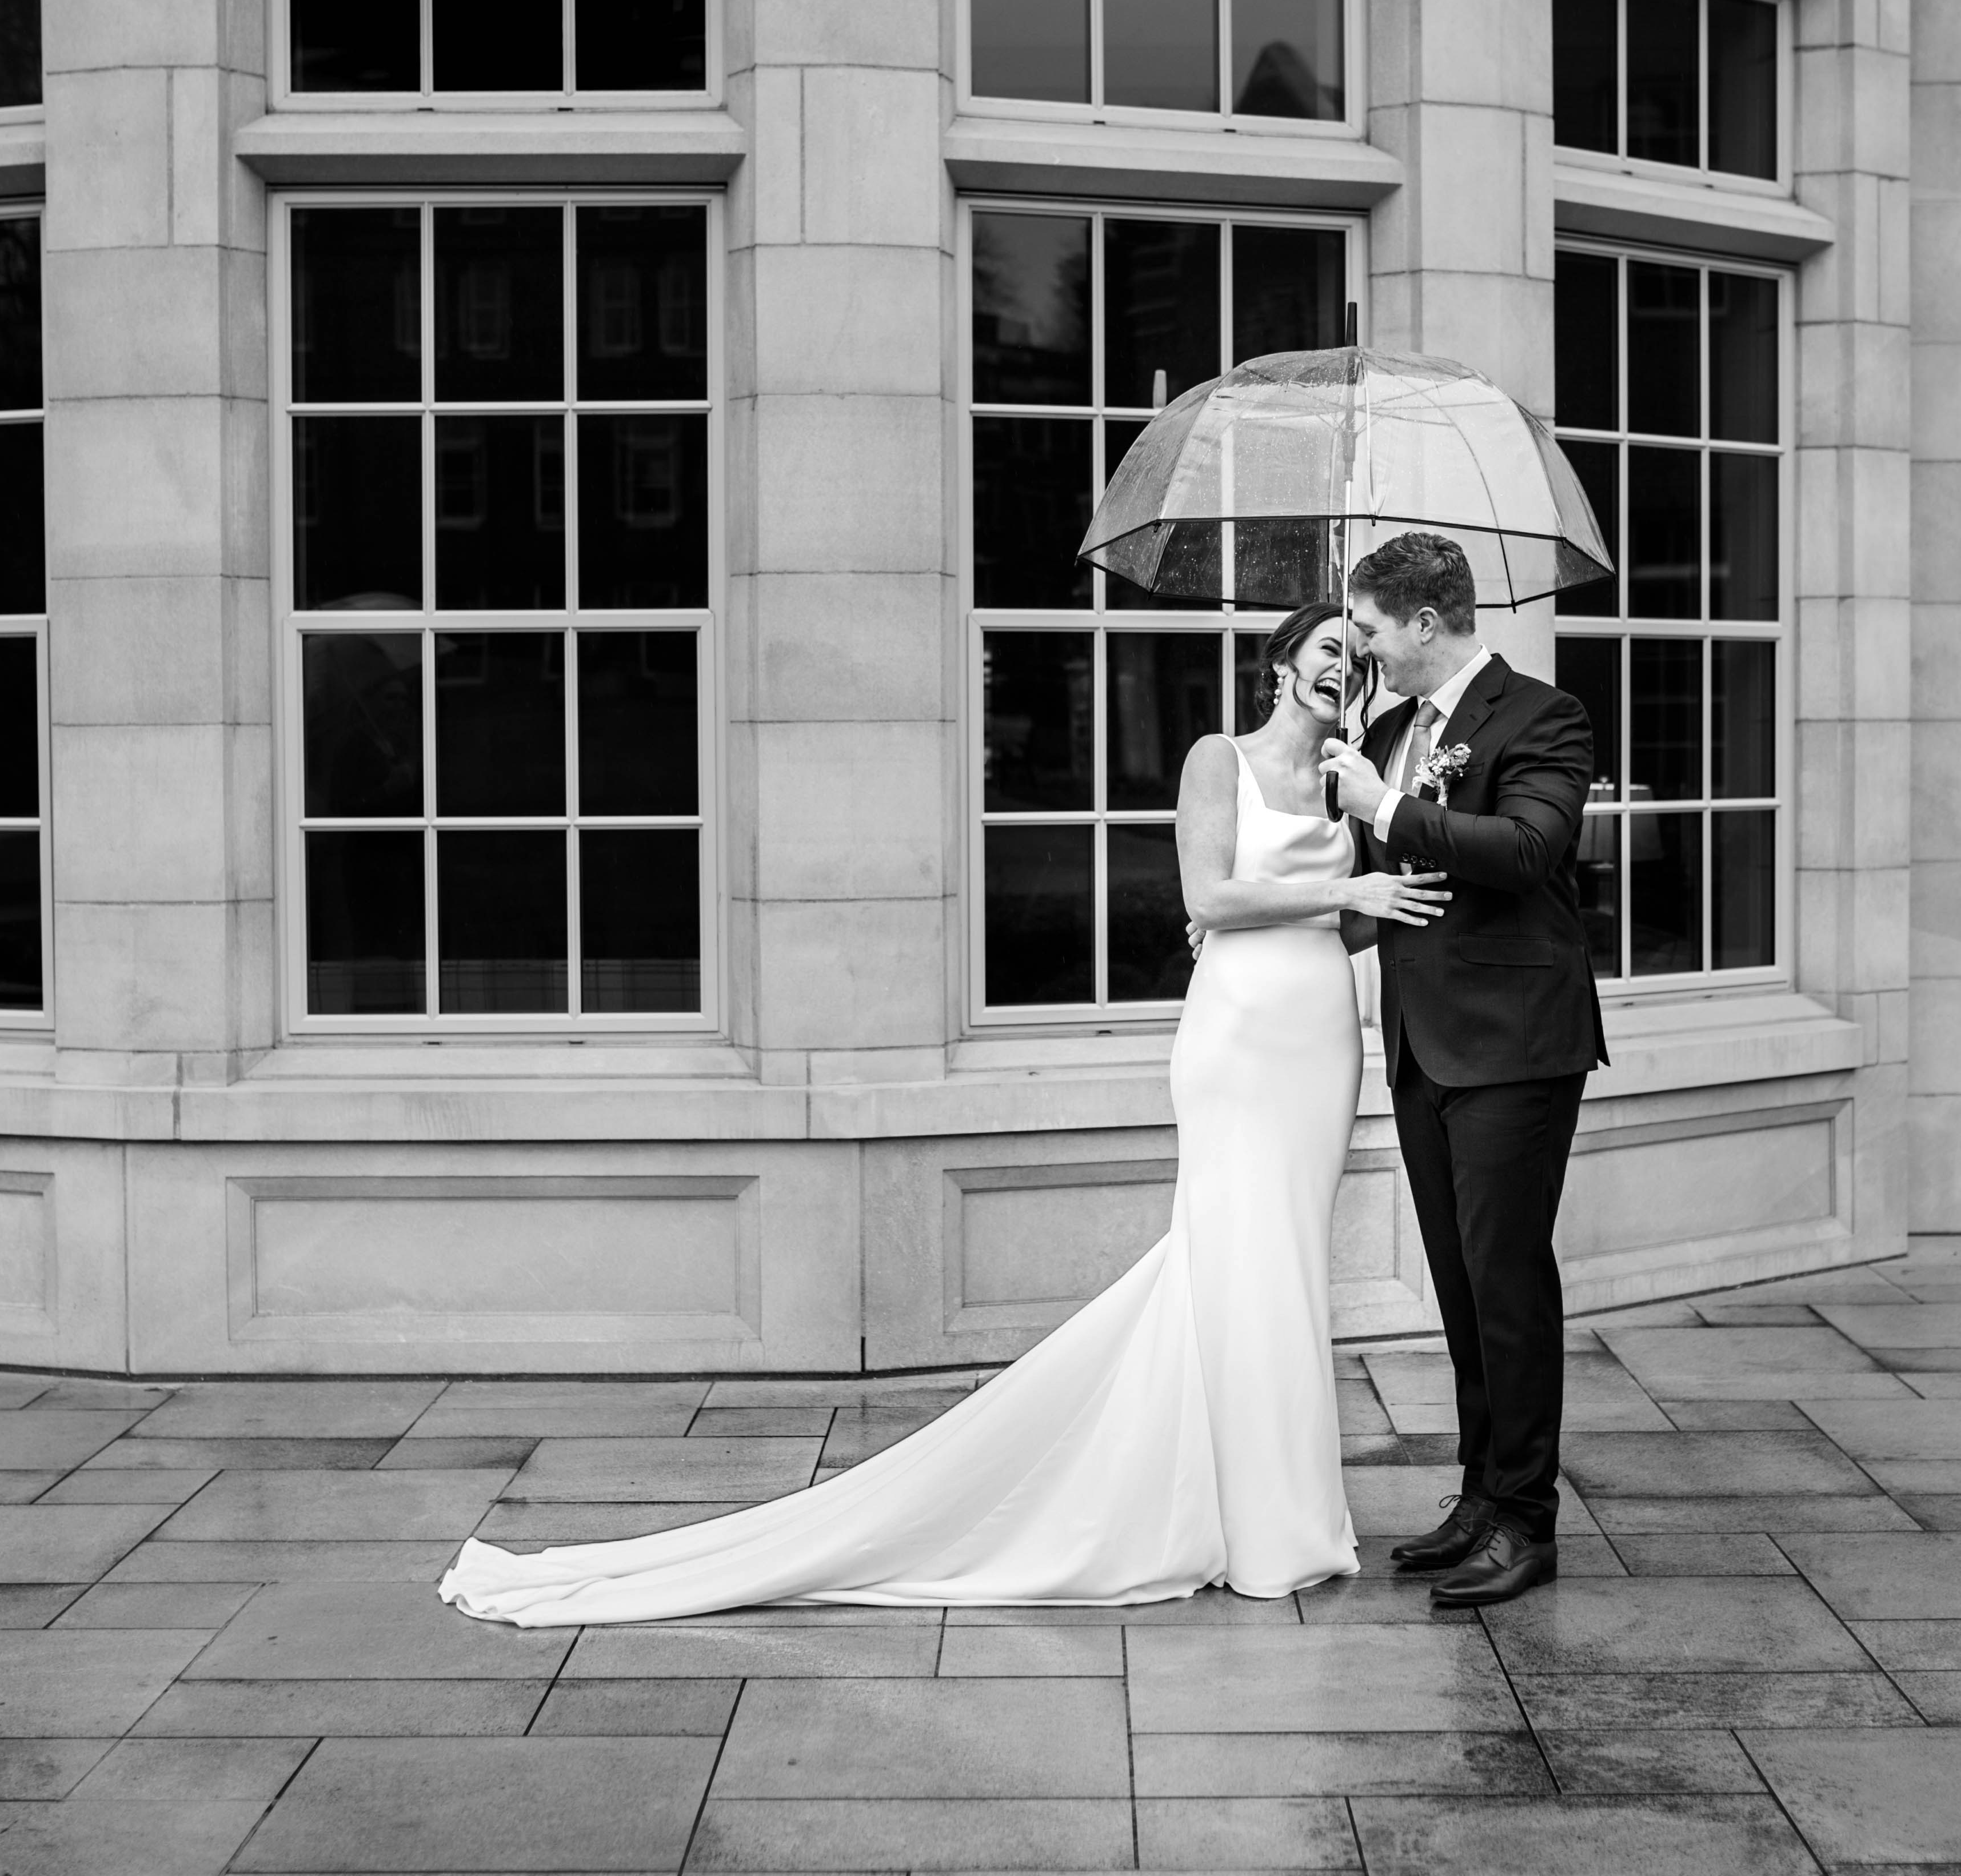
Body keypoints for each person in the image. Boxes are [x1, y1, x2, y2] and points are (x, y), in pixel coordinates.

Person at [437, 604, 1444, 1625]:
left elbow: (1350, 917)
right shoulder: (1213, 759)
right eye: (1329, 654)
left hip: (1318, 1043)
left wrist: (1380, 889)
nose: (1344, 675)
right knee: (1236, 1255)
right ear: (1282, 663)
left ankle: (1278, 1515)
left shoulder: (1350, 779)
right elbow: (1213, 898)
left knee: (1287, 1267)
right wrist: (1328, 893)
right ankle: (1243, 1521)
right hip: (1233, 1045)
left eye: (1358, 664)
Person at [1321, 530, 1606, 1610]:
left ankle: (1528, 1522)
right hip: (1421, 1041)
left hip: (1518, 1045)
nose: (1366, 650)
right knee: (1459, 1284)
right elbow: (1377, 882)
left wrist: (1385, 808)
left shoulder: (1544, 715)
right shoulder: (1386, 725)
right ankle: (1482, 1495)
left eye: (1373, 630)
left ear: (1426, 624)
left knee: (1509, 1283)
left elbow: (1530, 849)